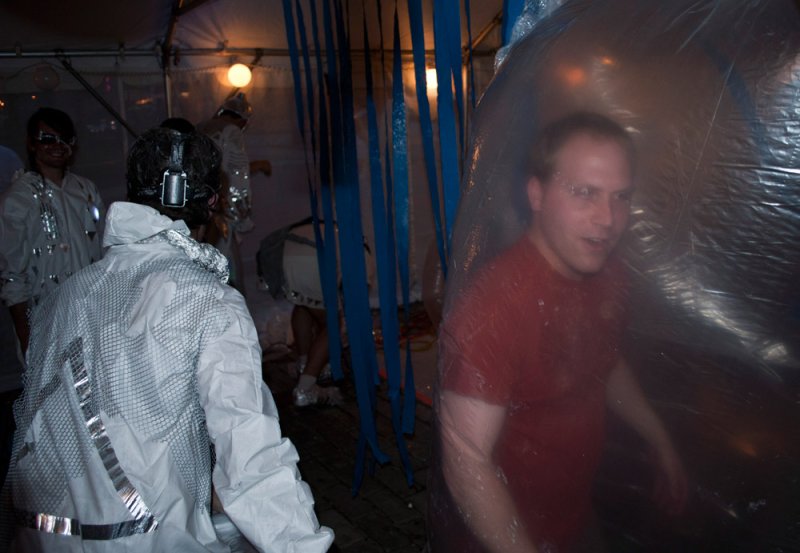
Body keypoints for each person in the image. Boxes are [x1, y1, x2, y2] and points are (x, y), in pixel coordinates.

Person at [0, 128, 333, 552]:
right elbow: (251, 458)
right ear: (212, 202)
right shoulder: (208, 301)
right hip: (142, 537)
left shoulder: (69, 293)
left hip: (42, 537)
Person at [429, 112, 688, 553]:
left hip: (572, 521)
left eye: (621, 197)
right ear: (537, 193)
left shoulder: (607, 272)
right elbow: (466, 458)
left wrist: (659, 437)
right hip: (501, 538)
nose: (608, 218)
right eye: (585, 193)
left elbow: (604, 363)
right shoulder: (493, 308)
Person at [0, 108, 105, 357]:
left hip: (92, 316)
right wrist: (25, 336)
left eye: (64, 139)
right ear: (31, 143)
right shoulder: (17, 199)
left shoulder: (85, 189)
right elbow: (12, 277)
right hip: (44, 323)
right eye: (48, 139)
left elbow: (103, 252)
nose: (57, 146)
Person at [198, 93, 271, 295]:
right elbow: (237, 175)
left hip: (198, 211)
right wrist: (240, 213)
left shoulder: (201, 128)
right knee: (227, 271)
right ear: (242, 120)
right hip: (220, 212)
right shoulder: (231, 132)